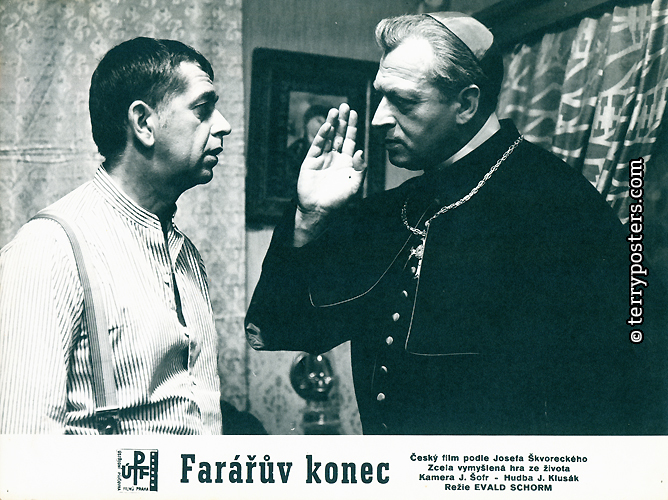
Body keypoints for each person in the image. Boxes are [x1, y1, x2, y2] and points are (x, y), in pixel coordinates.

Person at [245, 13, 667, 434]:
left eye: (403, 101)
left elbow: (625, 397)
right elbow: (279, 328)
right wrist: (310, 216)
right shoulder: (392, 210)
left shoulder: (561, 206)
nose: (378, 119)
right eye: (381, 97)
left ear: (466, 104)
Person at [0, 37, 232, 434]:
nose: (224, 125)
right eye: (203, 109)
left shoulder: (187, 256)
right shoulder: (48, 250)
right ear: (143, 123)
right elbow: (22, 450)